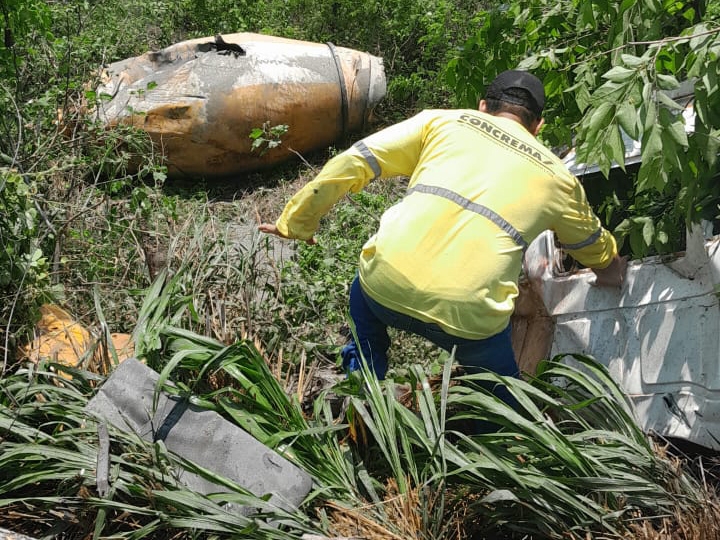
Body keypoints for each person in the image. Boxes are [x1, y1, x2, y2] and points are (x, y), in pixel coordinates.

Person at [259, 69, 626, 409]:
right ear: (538, 126)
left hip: (384, 288)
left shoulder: (441, 122)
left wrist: (296, 223)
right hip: (470, 321)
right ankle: (498, 443)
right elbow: (593, 246)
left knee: (363, 311)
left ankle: (362, 395)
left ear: (483, 106)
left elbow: (356, 160)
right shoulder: (557, 177)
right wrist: (611, 270)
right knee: (504, 397)